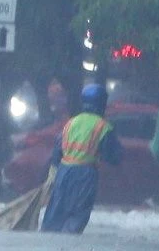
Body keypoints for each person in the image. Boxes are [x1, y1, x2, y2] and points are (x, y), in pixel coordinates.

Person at [40, 82, 122, 234]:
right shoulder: (103, 126)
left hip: (63, 172)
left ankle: (48, 240)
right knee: (77, 213)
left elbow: (58, 148)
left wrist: (53, 171)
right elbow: (114, 156)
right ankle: (67, 245)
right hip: (85, 173)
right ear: (102, 103)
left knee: (56, 210)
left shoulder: (71, 122)